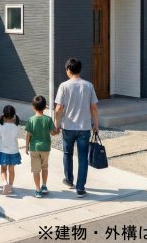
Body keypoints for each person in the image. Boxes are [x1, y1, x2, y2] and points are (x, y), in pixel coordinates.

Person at [54, 58, 99, 198]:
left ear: (68, 69)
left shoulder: (64, 86)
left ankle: (69, 180)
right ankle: (80, 188)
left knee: (67, 154)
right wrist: (96, 125)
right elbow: (93, 107)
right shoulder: (88, 86)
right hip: (84, 127)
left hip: (68, 127)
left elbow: (59, 108)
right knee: (83, 158)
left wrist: (57, 124)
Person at [25, 95, 59, 198]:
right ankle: (44, 186)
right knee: (44, 167)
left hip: (34, 148)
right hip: (45, 148)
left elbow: (28, 135)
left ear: (33, 107)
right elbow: (52, 133)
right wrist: (57, 131)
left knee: (36, 170)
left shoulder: (30, 120)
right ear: (45, 107)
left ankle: (38, 190)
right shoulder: (48, 119)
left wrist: (26, 147)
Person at [0, 105, 21, 195]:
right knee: (12, 171)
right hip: (14, 152)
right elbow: (18, 133)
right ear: (14, 115)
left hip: (3, 152)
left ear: (4, 115)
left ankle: (5, 183)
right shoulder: (17, 127)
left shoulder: (1, 126)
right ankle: (10, 187)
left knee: (3, 170)